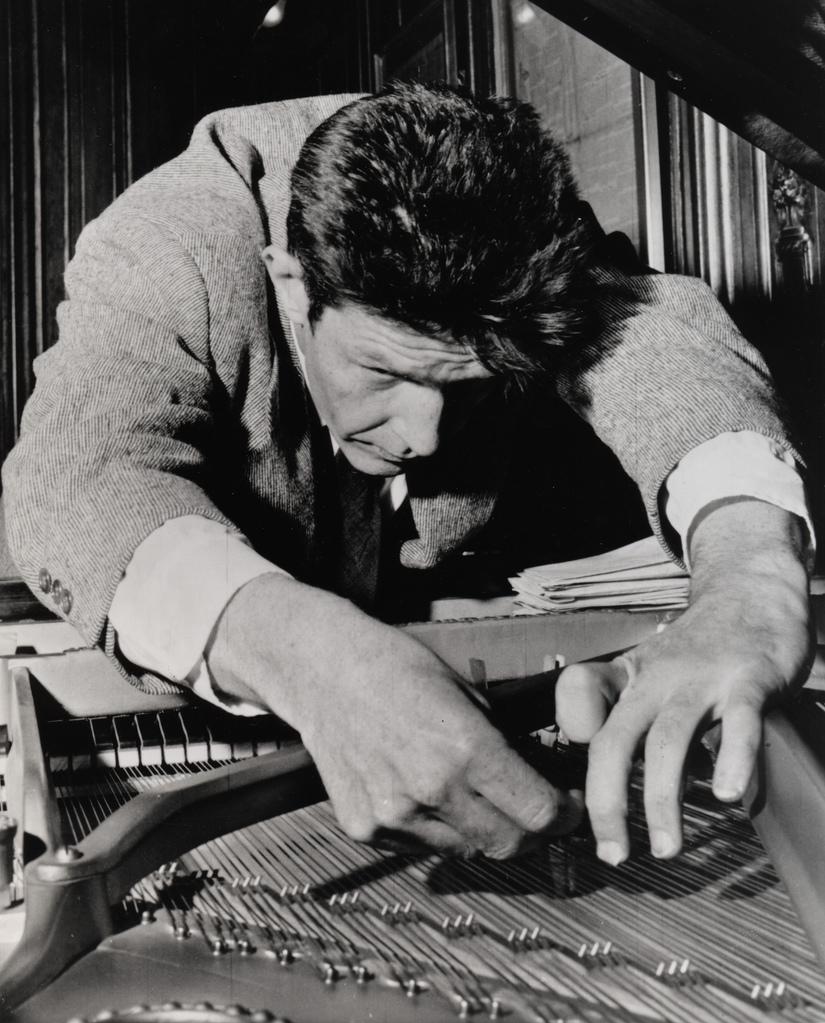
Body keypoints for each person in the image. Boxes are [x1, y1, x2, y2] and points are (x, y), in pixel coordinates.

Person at [1, 82, 813, 867]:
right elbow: (80, 478)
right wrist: (313, 660)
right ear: (290, 282)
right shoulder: (172, 243)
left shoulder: (514, 230)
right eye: (384, 371)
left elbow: (653, 340)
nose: (423, 437)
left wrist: (750, 578)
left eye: (469, 383)